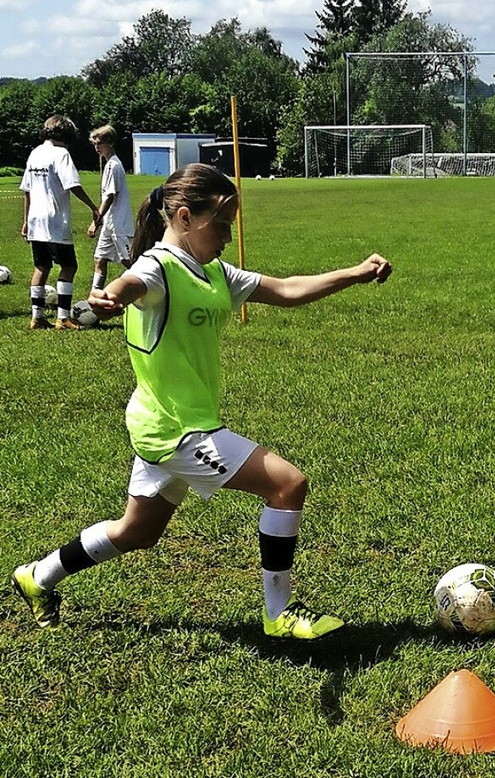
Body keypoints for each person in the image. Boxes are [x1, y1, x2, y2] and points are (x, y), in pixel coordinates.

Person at [11, 163, 392, 640]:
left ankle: (37, 575)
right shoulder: (158, 267)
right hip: (177, 429)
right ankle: (280, 613)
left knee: (137, 532)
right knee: (288, 485)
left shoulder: (212, 271)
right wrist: (109, 296)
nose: (230, 235)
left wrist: (354, 273)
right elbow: (130, 285)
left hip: (166, 422)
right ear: (186, 218)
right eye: (223, 223)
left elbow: (287, 289)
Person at [20, 115, 101, 330]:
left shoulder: (35, 153)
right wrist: (93, 207)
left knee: (41, 266)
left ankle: (37, 317)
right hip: (55, 221)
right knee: (69, 266)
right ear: (67, 133)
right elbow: (72, 184)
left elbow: (26, 190)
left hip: (36, 220)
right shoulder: (61, 154)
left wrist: (25, 221)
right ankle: (63, 318)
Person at [87, 124, 134, 291]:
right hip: (109, 224)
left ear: (110, 143)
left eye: (99, 143)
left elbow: (110, 196)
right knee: (100, 258)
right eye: (94, 144)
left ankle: (151, 284)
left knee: (129, 261)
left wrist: (96, 221)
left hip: (118, 224)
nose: (96, 148)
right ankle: (94, 296)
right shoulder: (108, 164)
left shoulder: (114, 165)